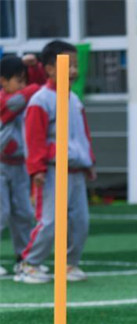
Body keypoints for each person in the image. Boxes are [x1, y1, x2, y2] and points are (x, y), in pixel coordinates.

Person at [17, 40, 95, 284]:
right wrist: (37, 169)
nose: (73, 70)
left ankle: (69, 263)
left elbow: (82, 134)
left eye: (75, 65)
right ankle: (29, 264)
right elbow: (34, 138)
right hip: (52, 170)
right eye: (68, 65)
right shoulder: (41, 100)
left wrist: (89, 161)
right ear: (49, 68)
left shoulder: (74, 99)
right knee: (50, 221)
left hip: (76, 169)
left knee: (80, 221)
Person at [0, 55, 39, 277]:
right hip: (1, 165)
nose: (23, 85)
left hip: (20, 165)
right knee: (1, 213)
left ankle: (23, 258)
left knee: (24, 213)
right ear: (3, 81)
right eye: (18, 80)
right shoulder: (6, 100)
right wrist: (35, 80)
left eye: (25, 80)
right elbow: (34, 90)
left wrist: (34, 68)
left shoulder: (25, 100)